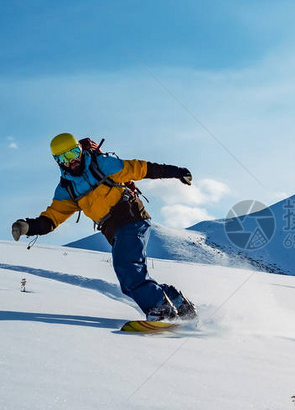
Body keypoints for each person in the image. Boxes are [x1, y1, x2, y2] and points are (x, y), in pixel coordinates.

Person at [11, 133, 195, 322]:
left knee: (127, 267)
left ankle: (160, 308)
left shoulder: (103, 165)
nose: (71, 161)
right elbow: (52, 217)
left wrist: (176, 171)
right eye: (63, 158)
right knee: (129, 281)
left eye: (73, 153)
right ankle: (177, 301)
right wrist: (27, 227)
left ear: (81, 150)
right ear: (57, 162)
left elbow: (141, 169)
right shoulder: (67, 189)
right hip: (113, 230)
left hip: (131, 217)